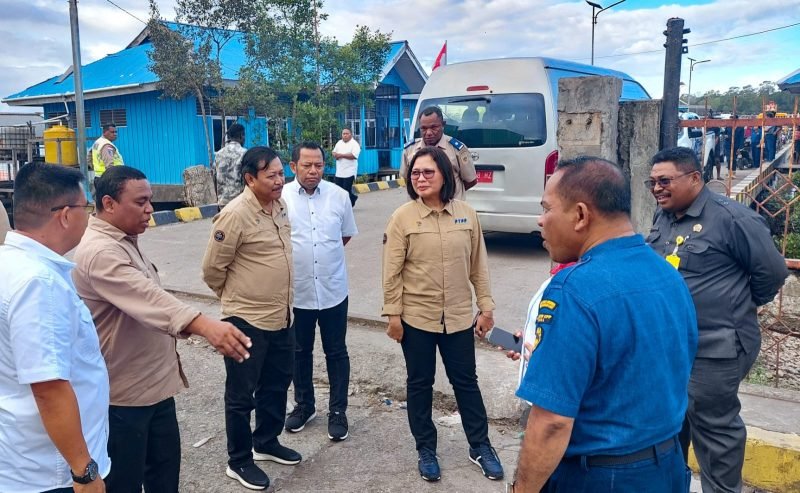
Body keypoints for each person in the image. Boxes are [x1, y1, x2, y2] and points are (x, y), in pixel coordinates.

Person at [509, 156, 697, 492]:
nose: (540, 220)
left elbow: (552, 421)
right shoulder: (667, 274)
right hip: (667, 466)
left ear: (580, 215)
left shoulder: (575, 288)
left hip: (602, 477)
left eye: (547, 208)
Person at [73, 165, 252, 493]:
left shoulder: (125, 238)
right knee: (125, 482)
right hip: (123, 398)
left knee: (164, 475)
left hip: (153, 387)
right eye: (140, 202)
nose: (150, 209)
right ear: (109, 204)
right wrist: (204, 325)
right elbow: (148, 297)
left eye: (150, 200)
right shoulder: (99, 250)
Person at [647, 147, 789, 493]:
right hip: (672, 345)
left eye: (664, 181)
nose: (657, 189)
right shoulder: (663, 216)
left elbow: (771, 274)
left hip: (717, 345)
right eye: (652, 182)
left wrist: (736, 306)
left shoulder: (734, 219)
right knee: (670, 425)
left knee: (715, 431)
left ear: (694, 178)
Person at [382, 146, 503, 483]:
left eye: (428, 172)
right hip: (416, 318)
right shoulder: (403, 218)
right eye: (415, 173)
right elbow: (391, 272)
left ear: (445, 175)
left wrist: (487, 306)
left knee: (466, 382)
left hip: (460, 317)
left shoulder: (466, 214)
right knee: (420, 383)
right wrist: (392, 315)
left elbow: (478, 265)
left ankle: (480, 445)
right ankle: (426, 448)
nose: (420, 178)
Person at [0, 163, 109, 492]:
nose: (88, 217)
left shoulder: (11, 264)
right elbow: (48, 387)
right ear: (64, 215)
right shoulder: (39, 282)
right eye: (85, 207)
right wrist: (83, 471)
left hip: (28, 456)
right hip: (52, 471)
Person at [202, 147, 301, 491]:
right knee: (242, 394)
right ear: (250, 178)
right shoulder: (235, 215)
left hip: (282, 315)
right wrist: (236, 300)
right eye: (271, 175)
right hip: (246, 319)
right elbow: (212, 270)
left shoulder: (280, 205)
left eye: (280, 173)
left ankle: (266, 442)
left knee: (276, 383)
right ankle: (239, 460)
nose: (280, 180)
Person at [282, 142, 358, 441]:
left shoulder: (339, 196)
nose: (313, 171)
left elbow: (345, 235)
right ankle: (304, 405)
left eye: (318, 165)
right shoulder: (281, 198)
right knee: (299, 352)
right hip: (297, 292)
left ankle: (338, 411)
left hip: (332, 290)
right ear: (293, 167)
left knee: (336, 351)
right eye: (306, 166)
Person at [400, 106, 477, 200]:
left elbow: (471, 180)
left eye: (434, 127)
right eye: (423, 128)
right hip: (419, 210)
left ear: (443, 124)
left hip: (450, 209)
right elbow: (406, 179)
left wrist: (448, 192)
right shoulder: (410, 150)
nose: (428, 132)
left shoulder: (457, 149)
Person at [215, 123, 247, 207]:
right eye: (244, 136)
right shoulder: (244, 153)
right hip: (239, 202)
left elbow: (215, 177)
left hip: (222, 202)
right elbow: (247, 178)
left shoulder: (218, 154)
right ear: (241, 135)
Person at [332, 128, 361, 207]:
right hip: (339, 171)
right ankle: (353, 198)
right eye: (343, 134)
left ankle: (347, 205)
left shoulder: (354, 144)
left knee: (346, 190)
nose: (344, 135)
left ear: (350, 134)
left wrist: (341, 155)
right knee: (339, 190)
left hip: (349, 171)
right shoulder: (339, 143)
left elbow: (354, 156)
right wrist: (335, 155)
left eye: (346, 133)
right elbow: (334, 152)